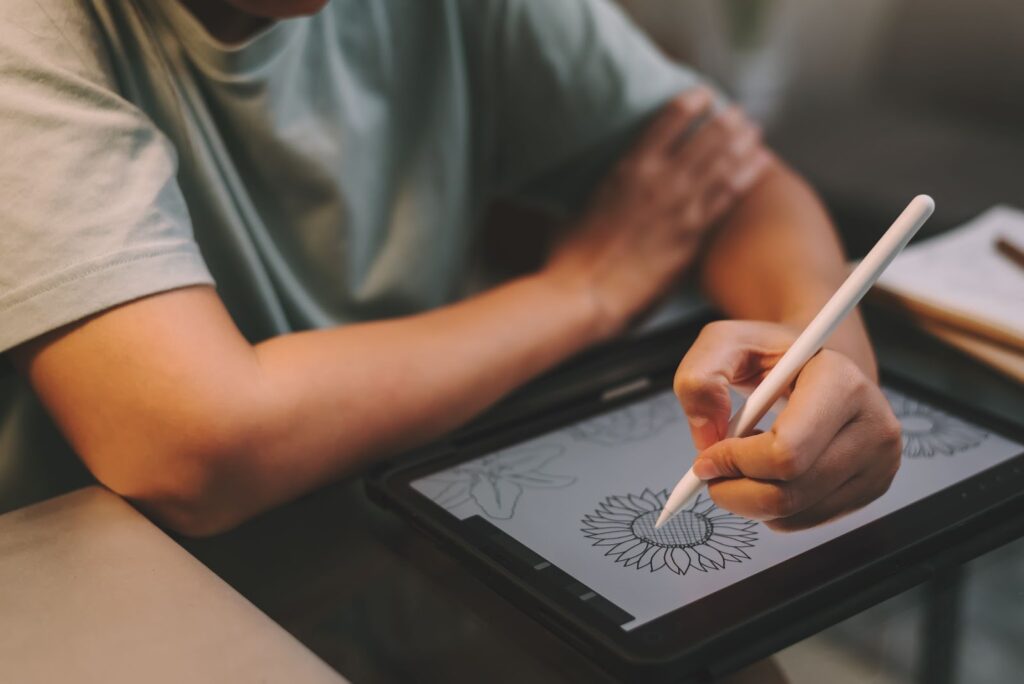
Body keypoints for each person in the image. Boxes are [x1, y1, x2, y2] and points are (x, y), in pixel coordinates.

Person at [0, 0, 902, 537]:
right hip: (118, 572)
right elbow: (193, 450)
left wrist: (825, 359)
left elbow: (728, 178)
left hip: (406, 511)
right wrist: (581, 294)